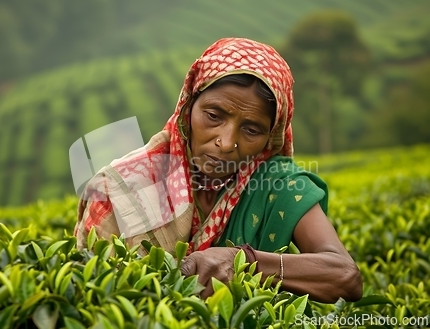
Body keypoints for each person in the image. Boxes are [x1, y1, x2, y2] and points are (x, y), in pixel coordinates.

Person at [74, 37, 362, 303]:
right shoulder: (118, 188)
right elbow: (95, 299)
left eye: (251, 130)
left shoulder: (276, 184)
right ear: (188, 108)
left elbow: (345, 277)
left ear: (269, 137)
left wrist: (242, 261)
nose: (226, 143)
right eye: (213, 116)